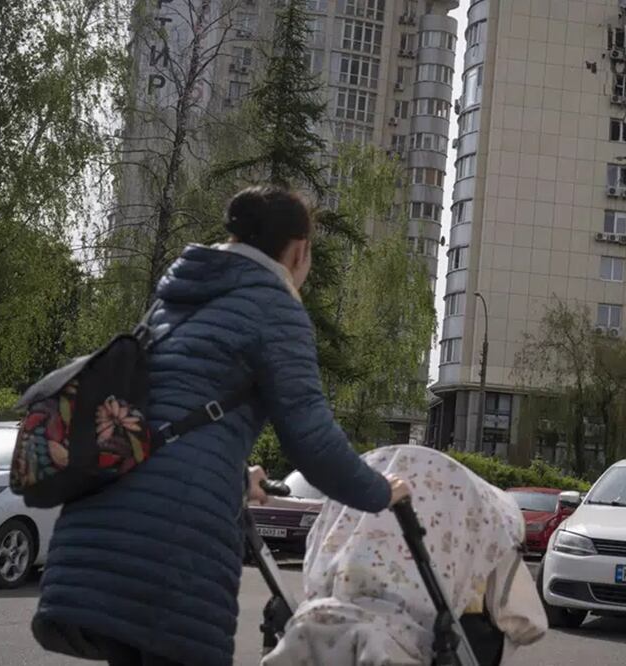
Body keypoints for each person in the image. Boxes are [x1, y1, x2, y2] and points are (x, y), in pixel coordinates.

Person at [32, 185, 410, 666]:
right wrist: (382, 491)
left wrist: (234, 474)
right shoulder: (275, 308)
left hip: (100, 518)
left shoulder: (175, 298)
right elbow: (312, 441)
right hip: (172, 540)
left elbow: (166, 418)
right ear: (299, 250)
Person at [262, 445, 547, 666]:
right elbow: (526, 623)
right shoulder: (462, 546)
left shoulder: (347, 568)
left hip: (328, 634)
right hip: (423, 643)